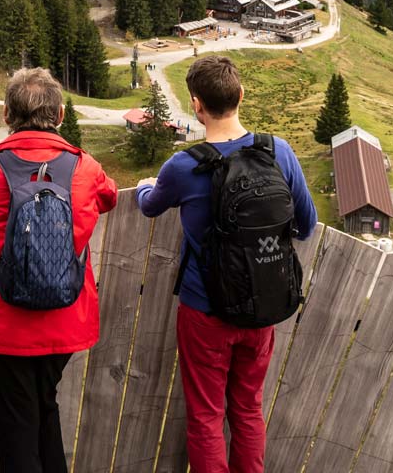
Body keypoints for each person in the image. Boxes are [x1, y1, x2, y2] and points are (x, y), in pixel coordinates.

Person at [134, 56, 317, 473]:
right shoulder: (278, 152)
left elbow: (149, 207)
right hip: (263, 308)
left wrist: (146, 187)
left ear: (196, 105)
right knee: (248, 410)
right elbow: (306, 226)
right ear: (240, 95)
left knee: (205, 415)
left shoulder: (183, 166)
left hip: (205, 311)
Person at [0, 68, 120, 473]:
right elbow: (109, 196)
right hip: (65, 320)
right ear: (60, 114)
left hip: (7, 325)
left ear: (6, 114)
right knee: (45, 408)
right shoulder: (85, 167)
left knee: (16, 426)